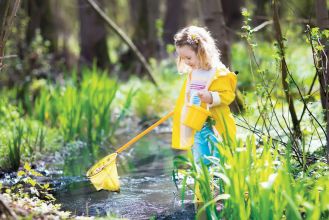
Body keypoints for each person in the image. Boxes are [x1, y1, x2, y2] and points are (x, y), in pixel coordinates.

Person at [171, 25, 237, 165]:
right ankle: (204, 181)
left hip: (215, 122)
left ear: (201, 52)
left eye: (188, 57)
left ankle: (220, 180)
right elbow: (189, 96)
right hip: (197, 124)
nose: (186, 62)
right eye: (183, 59)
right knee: (200, 156)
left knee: (219, 153)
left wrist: (211, 97)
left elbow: (228, 95)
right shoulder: (193, 73)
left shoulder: (218, 72)